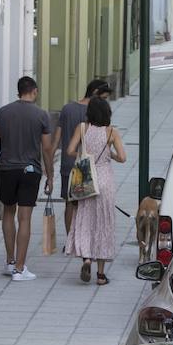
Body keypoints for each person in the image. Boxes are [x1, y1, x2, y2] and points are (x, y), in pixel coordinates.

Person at [0, 76, 53, 282]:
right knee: (24, 217)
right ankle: (20, 269)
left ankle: (10, 261)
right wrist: (50, 175)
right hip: (30, 170)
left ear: (18, 91)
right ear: (35, 91)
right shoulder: (41, 115)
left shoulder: (4, 112)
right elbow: (47, 148)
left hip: (6, 169)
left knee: (8, 211)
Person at [65, 96, 127, 285]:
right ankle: (101, 275)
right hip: (105, 179)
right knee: (104, 224)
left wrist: (84, 155)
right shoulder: (112, 132)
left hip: (86, 178)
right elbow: (123, 158)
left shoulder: (82, 128)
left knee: (85, 220)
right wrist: (110, 155)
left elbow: (69, 150)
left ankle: (87, 258)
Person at [53, 78, 111, 235]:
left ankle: (70, 238)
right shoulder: (96, 113)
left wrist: (50, 162)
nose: (105, 102)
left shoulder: (67, 109)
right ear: (95, 94)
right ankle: (83, 237)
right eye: (104, 98)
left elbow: (57, 137)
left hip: (68, 164)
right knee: (86, 205)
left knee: (69, 204)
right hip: (88, 166)